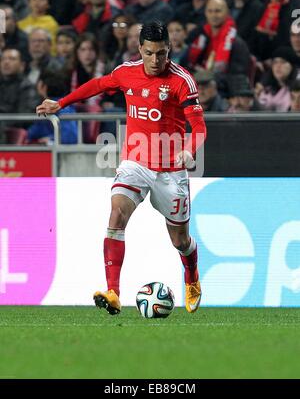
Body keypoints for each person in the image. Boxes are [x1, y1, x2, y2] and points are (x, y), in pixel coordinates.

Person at [36, 21, 207, 315]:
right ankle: (113, 291)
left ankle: (191, 276)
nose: (156, 60)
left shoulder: (182, 81)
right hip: (135, 162)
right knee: (116, 213)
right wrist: (61, 103)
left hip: (170, 172)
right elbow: (98, 85)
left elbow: (200, 127)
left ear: (170, 50)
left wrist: (188, 151)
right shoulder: (126, 72)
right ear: (140, 48)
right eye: (151, 53)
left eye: (162, 54)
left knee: (180, 240)